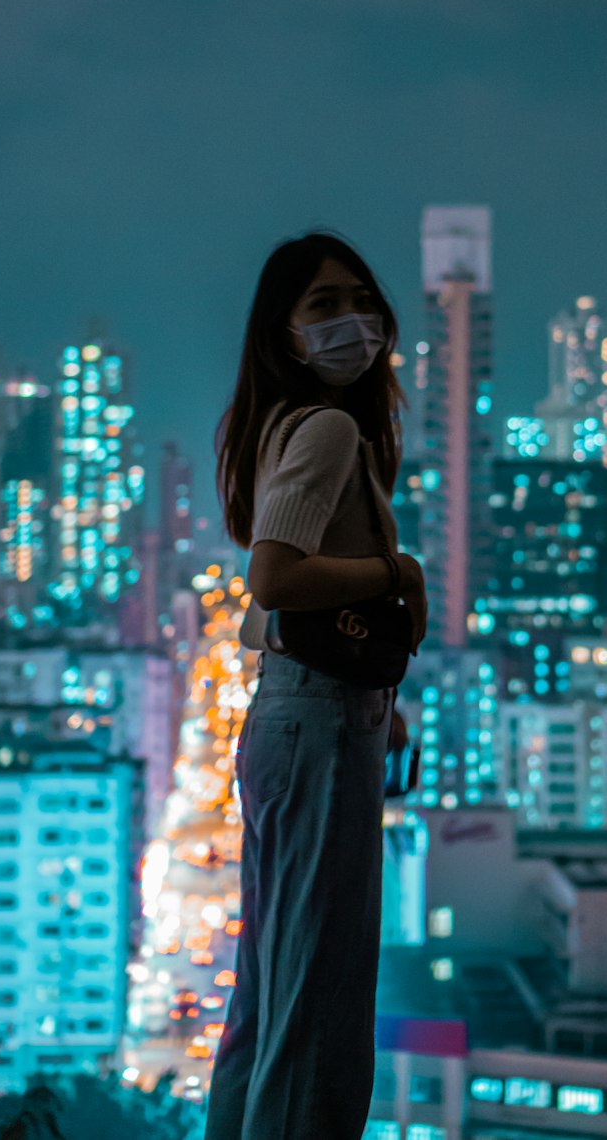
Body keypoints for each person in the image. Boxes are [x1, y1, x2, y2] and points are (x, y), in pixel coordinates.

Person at [204, 232, 427, 1140]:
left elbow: (286, 608)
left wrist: (386, 704)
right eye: (322, 305)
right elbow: (277, 579)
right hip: (318, 727)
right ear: (284, 331)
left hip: (306, 715)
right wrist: (394, 572)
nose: (350, 322)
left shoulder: (284, 427)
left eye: (358, 299)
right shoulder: (328, 427)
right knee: (318, 1008)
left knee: (270, 1000)